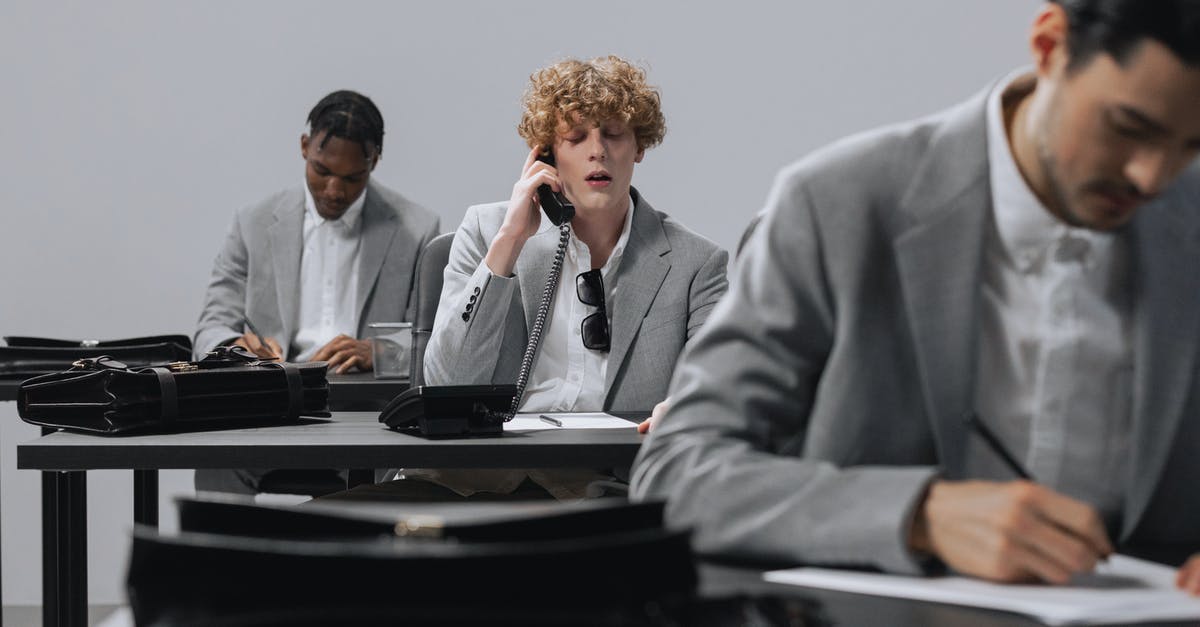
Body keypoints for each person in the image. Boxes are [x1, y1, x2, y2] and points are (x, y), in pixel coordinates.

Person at [632, 0, 1200, 591]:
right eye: (1129, 128)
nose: (1152, 177)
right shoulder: (836, 203)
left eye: (1191, 145)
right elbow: (679, 472)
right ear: (1050, 45)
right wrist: (918, 515)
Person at [369, 55, 728, 501]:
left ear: (639, 147)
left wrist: (692, 406)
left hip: (602, 487)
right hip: (466, 478)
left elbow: (718, 381)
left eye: (614, 134)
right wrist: (510, 241)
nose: (597, 150)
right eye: (576, 137)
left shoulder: (697, 263)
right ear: (546, 153)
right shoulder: (487, 231)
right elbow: (446, 384)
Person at [193, 90, 440, 494]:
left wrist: (378, 351)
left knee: (392, 477)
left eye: (352, 178)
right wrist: (233, 348)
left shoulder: (416, 229)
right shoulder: (252, 222)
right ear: (304, 147)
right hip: (268, 410)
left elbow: (432, 342)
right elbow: (210, 327)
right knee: (215, 460)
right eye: (321, 170)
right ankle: (221, 559)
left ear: (374, 162)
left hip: (368, 417)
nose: (333, 190)